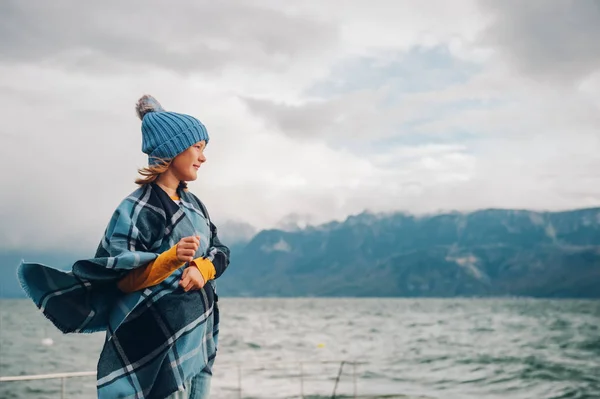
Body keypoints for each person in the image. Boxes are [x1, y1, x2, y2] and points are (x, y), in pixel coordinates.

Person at [17, 94, 230, 399]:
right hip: (150, 339)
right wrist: (168, 260)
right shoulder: (136, 208)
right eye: (198, 147)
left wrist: (202, 267)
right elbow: (122, 279)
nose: (203, 157)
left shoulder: (195, 205)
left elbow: (221, 251)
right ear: (172, 150)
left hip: (197, 337)